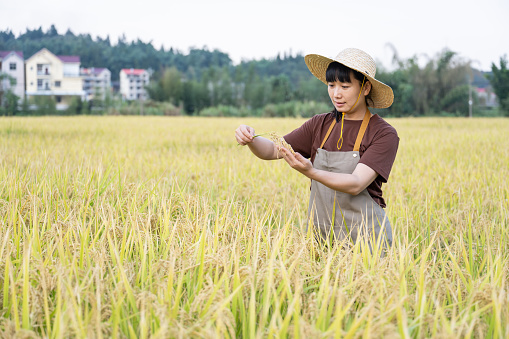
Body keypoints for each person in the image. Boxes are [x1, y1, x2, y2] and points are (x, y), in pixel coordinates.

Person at [235, 48, 399, 251]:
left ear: (365, 88)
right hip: (321, 238)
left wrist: (311, 172)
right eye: (331, 85)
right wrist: (251, 138)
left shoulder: (383, 133)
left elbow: (356, 183)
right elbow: (271, 151)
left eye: (345, 86)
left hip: (366, 242)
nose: (336, 94)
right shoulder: (319, 125)